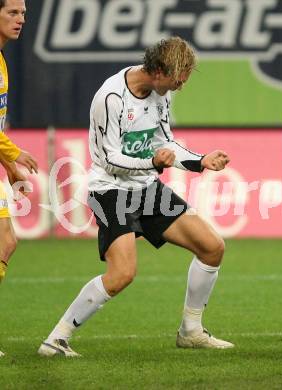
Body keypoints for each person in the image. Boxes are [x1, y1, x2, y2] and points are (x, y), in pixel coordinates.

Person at [39, 36, 234, 357]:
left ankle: (191, 331)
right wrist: (152, 161)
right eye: (176, 80)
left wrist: (200, 161)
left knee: (212, 248)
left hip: (146, 188)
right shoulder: (111, 96)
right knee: (121, 275)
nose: (179, 87)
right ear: (158, 70)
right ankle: (55, 340)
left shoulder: (162, 94)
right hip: (111, 191)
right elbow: (107, 157)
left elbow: (167, 143)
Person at [0, 0, 38, 357]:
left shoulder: (2, 61)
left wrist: (9, 166)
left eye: (23, 13)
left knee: (5, 243)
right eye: (12, 12)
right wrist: (13, 154)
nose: (21, 19)